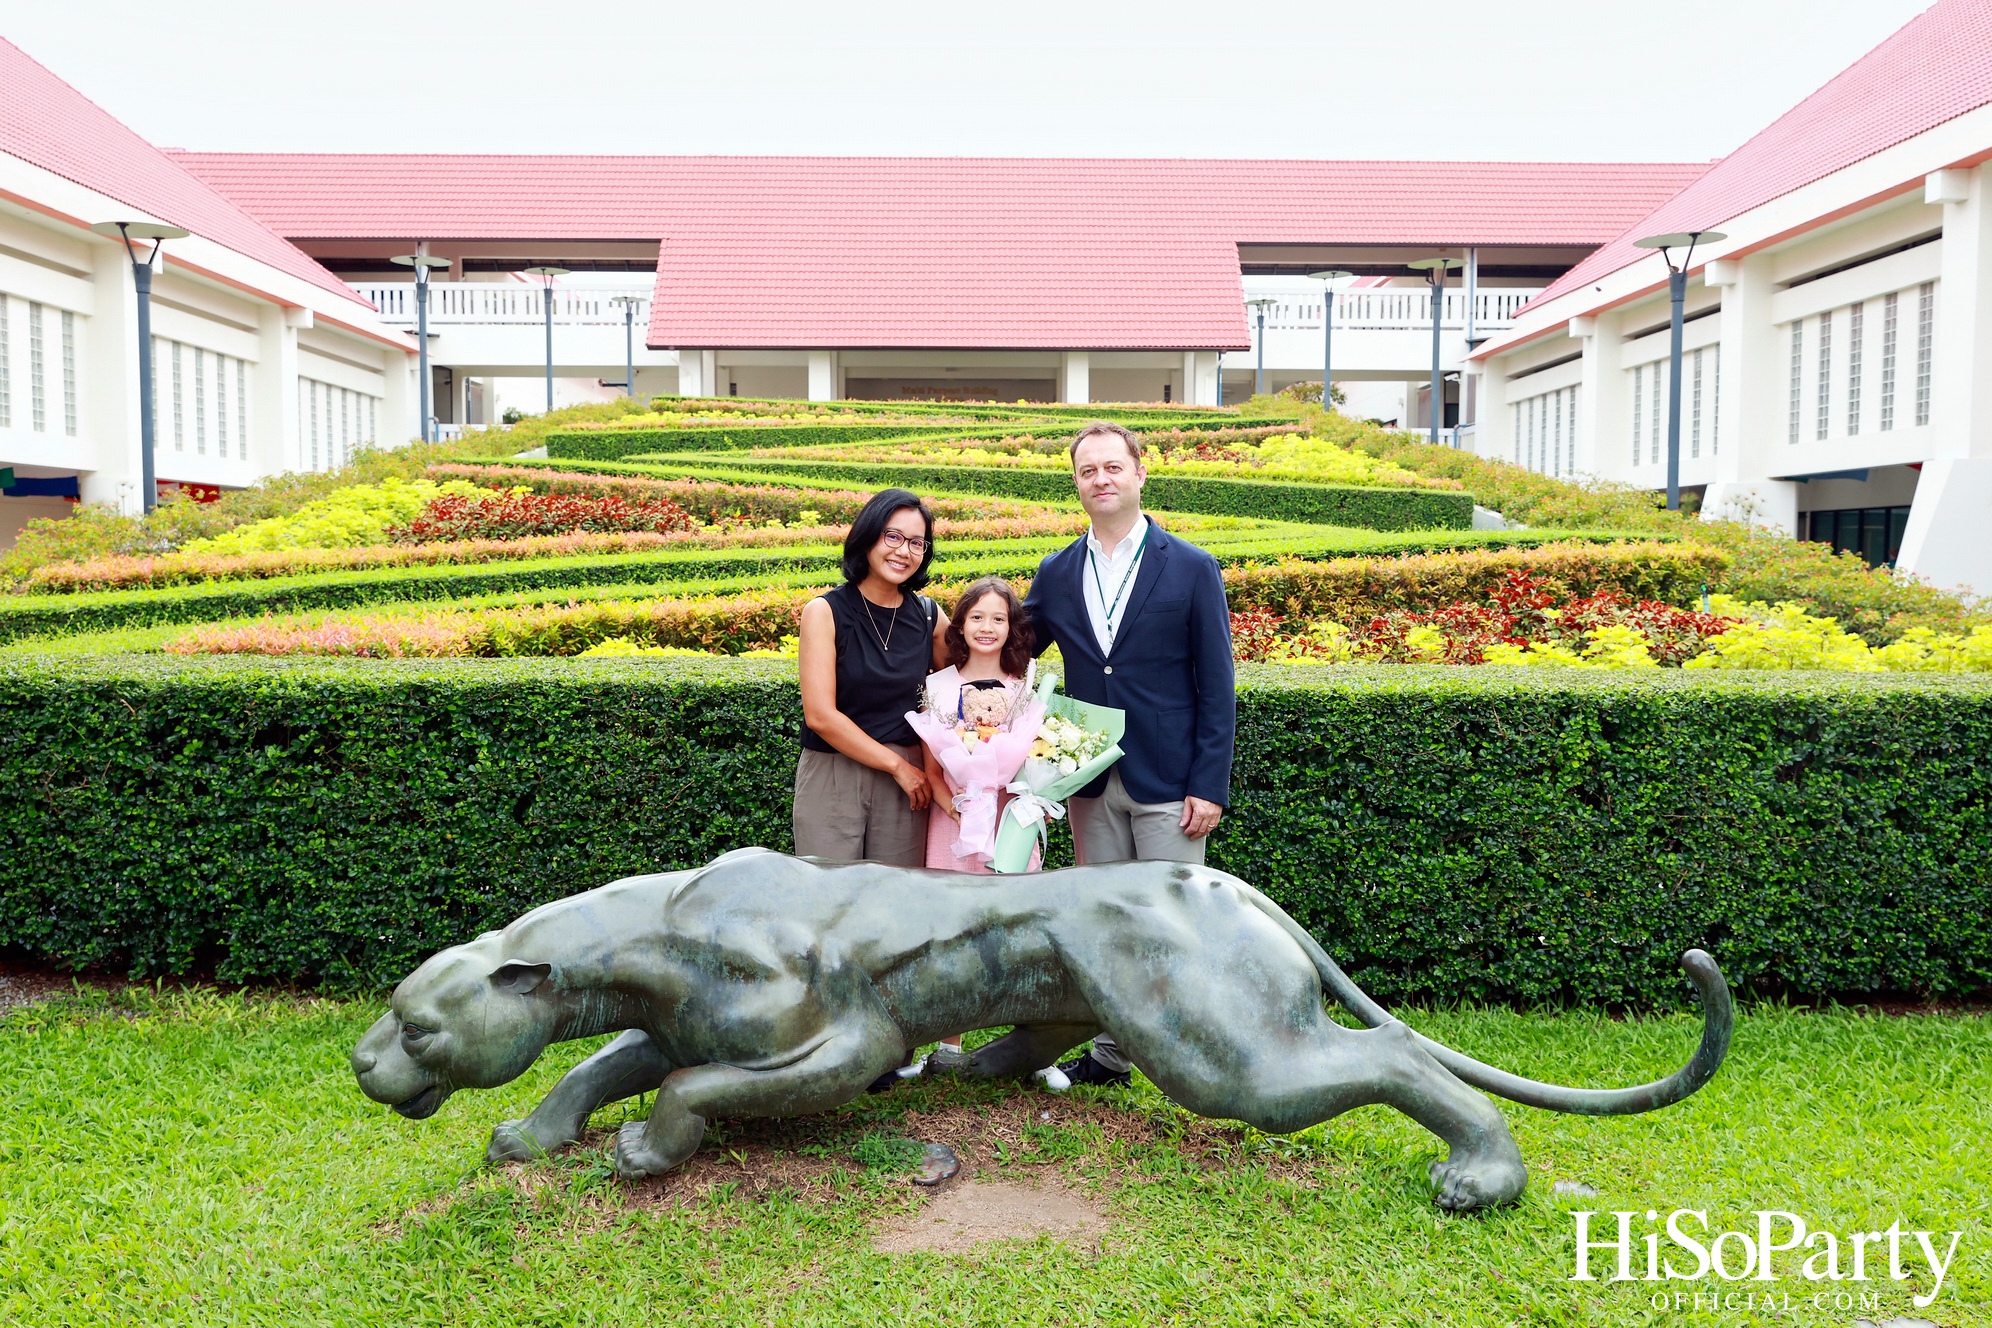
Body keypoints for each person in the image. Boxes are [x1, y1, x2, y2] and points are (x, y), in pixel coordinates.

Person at [1021, 420, 1236, 1088]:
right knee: (1106, 927)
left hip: (1171, 779)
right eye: (1088, 471)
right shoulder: (1056, 572)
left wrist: (1211, 783)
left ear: (1140, 473)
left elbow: (1217, 683)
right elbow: (1007, 649)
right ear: (1077, 484)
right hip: (1089, 778)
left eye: (1113, 468)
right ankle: (1113, 1057)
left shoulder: (1193, 566)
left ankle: (1187, 1058)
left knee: (1171, 925)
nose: (1101, 480)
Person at [915, 577, 1038, 1072]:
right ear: (960, 625)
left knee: (1019, 929)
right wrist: (955, 806)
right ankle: (947, 1047)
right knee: (951, 932)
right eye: (978, 617)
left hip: (1012, 821)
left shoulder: (1027, 682)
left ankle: (1026, 1051)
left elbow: (1038, 759)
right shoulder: (937, 685)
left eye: (999, 618)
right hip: (954, 825)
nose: (987, 628)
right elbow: (930, 767)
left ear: (1012, 628)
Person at [794, 489, 950, 867]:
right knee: (828, 900)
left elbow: (961, 691)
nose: (903, 551)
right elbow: (820, 715)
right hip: (835, 771)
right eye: (892, 536)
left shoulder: (930, 617)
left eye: (917, 543)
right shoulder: (825, 611)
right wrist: (898, 767)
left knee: (895, 903)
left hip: (908, 781)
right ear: (868, 536)